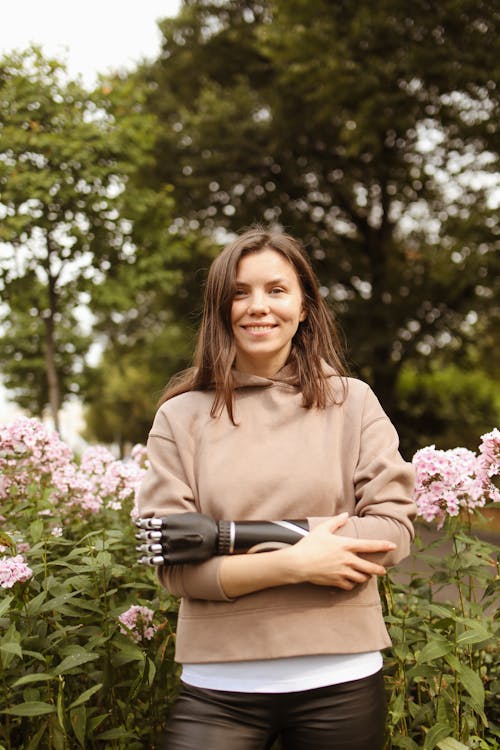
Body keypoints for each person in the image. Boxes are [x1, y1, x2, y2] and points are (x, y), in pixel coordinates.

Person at [138, 227, 416, 750]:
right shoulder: (180, 417)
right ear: (220, 308)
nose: (257, 307)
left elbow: (392, 530)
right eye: (239, 293)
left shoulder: (352, 403)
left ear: (305, 306)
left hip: (341, 679)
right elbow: (174, 561)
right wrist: (297, 563)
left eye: (276, 290)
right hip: (218, 689)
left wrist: (224, 537)